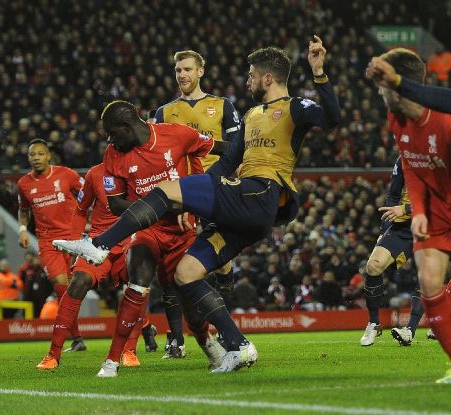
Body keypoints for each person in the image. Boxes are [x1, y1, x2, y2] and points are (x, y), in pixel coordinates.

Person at [55, 36, 340, 374]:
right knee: (186, 273)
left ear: (267, 78)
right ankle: (238, 347)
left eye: (251, 75)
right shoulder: (251, 115)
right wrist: (191, 198)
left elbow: (332, 118)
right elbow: (226, 163)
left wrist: (319, 73)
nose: (247, 81)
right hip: (244, 208)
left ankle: (99, 245)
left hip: (261, 192)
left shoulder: (294, 107)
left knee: (164, 190)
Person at [366, 48, 451, 383]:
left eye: (383, 86)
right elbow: (412, 163)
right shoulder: (397, 120)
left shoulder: (450, 124)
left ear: (398, 85)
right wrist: (417, 209)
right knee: (430, 280)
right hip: (436, 213)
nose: (380, 93)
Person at [153, 50, 241, 357]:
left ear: (201, 71)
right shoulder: (164, 112)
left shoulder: (223, 105)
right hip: (181, 194)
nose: (182, 74)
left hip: (216, 190)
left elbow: (238, 147)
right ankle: (176, 338)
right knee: (172, 264)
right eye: (178, 70)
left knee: (223, 262)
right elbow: (157, 156)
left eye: (188, 69)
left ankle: (226, 330)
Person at [35, 163, 165, 372]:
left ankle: (129, 350)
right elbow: (80, 210)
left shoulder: (141, 170)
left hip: (131, 239)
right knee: (78, 283)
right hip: (99, 241)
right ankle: (54, 354)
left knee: (137, 284)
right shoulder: (95, 174)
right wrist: (75, 243)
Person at [17, 138, 87, 351]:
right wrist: (22, 229)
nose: (36, 158)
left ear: (48, 156)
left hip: (73, 237)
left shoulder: (66, 174)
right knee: (61, 286)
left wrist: (88, 218)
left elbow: (88, 192)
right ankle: (77, 338)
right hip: (48, 241)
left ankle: (77, 338)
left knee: (76, 286)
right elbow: (23, 210)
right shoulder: (24, 184)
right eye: (32, 154)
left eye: (40, 154)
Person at [359, 156, 424, 347]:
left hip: (433, 224)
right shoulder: (403, 159)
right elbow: (393, 196)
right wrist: (383, 231)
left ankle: (410, 330)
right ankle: (374, 323)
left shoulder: (440, 158)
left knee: (426, 277)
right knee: (373, 266)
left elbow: (442, 200)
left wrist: (406, 208)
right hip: (403, 227)